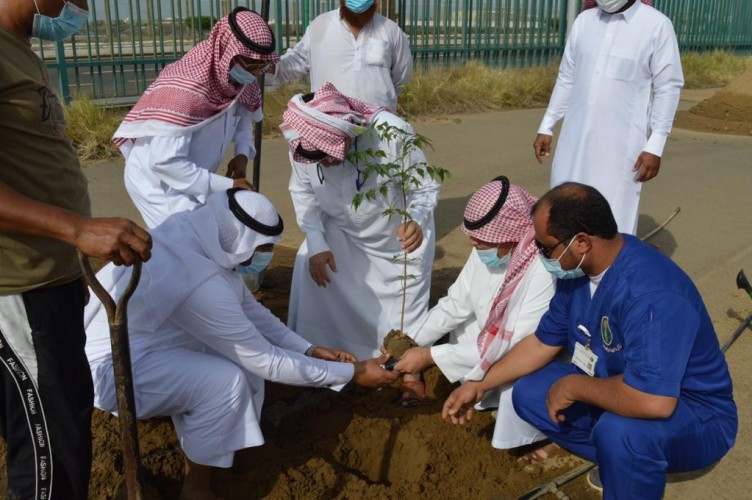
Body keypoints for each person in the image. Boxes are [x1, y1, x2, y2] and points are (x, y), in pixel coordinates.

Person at [84, 189, 399, 500]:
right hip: (113, 371)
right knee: (225, 382)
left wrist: (308, 349)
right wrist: (352, 373)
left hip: (139, 344)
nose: (265, 256)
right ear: (238, 242)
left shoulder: (196, 237)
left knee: (235, 360)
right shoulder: (200, 283)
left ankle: (207, 435)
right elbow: (266, 361)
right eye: (261, 248)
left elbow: (250, 310)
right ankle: (197, 489)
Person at [442, 182, 737, 499]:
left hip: (694, 414)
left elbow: (655, 401)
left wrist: (574, 387)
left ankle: (630, 465)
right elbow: (543, 342)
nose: (538, 254)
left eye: (545, 247)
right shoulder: (578, 274)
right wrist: (479, 384)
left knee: (619, 433)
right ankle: (624, 462)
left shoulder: (651, 295)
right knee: (528, 393)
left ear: (581, 242)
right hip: (619, 384)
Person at [0, 0, 153, 497]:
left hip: (49, 285)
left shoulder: (21, 50)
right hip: (18, 293)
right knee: (51, 463)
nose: (81, 8)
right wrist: (75, 230)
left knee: (60, 429)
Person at [394, 177, 555, 451]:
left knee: (522, 391)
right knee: (465, 321)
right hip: (487, 346)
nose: (471, 243)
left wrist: (429, 357)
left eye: (480, 241)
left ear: (509, 235)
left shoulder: (543, 270)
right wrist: (411, 343)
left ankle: (540, 435)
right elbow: (456, 302)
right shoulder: (490, 248)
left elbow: (512, 345)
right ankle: (479, 393)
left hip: (522, 355)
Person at [281, 82, 439, 361]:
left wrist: (416, 219)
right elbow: (302, 191)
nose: (325, 165)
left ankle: (405, 367)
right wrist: (317, 243)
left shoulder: (392, 133)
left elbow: (424, 187)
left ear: (350, 134)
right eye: (318, 160)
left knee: (404, 308)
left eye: (329, 156)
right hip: (344, 232)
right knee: (307, 256)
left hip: (398, 236)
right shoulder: (302, 137)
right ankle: (323, 350)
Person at [113, 7, 279, 228]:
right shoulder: (187, 90)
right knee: (190, 247)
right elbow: (165, 163)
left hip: (195, 178)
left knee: (209, 240)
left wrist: (242, 153)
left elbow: (243, 118)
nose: (258, 73)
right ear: (227, 51)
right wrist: (228, 184)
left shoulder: (235, 80)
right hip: (159, 185)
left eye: (262, 66)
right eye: (253, 65)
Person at [532, 0, 683, 235]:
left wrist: (655, 145)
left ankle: (610, 270)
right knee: (563, 209)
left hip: (620, 150)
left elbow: (668, 87)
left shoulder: (656, 26)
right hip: (574, 141)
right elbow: (566, 78)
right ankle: (562, 268)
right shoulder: (584, 22)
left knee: (613, 216)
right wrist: (547, 125)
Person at [267, 0, 412, 111]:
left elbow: (401, 79)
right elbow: (296, 61)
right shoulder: (321, 25)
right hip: (330, 127)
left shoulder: (391, 30)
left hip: (378, 129)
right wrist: (268, 65)